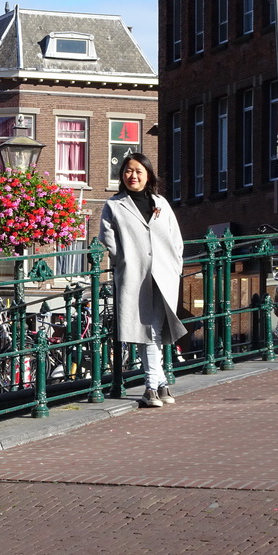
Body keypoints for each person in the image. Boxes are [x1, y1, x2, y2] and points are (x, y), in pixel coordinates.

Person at [99, 153, 186, 408]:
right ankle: (156, 385)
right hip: (134, 275)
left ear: (148, 175)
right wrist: (122, 264)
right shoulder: (114, 205)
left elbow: (175, 238)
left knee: (153, 329)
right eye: (128, 171)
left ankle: (155, 386)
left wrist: (176, 266)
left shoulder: (161, 203)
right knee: (145, 330)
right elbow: (108, 240)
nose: (132, 176)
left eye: (138, 171)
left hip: (163, 275)